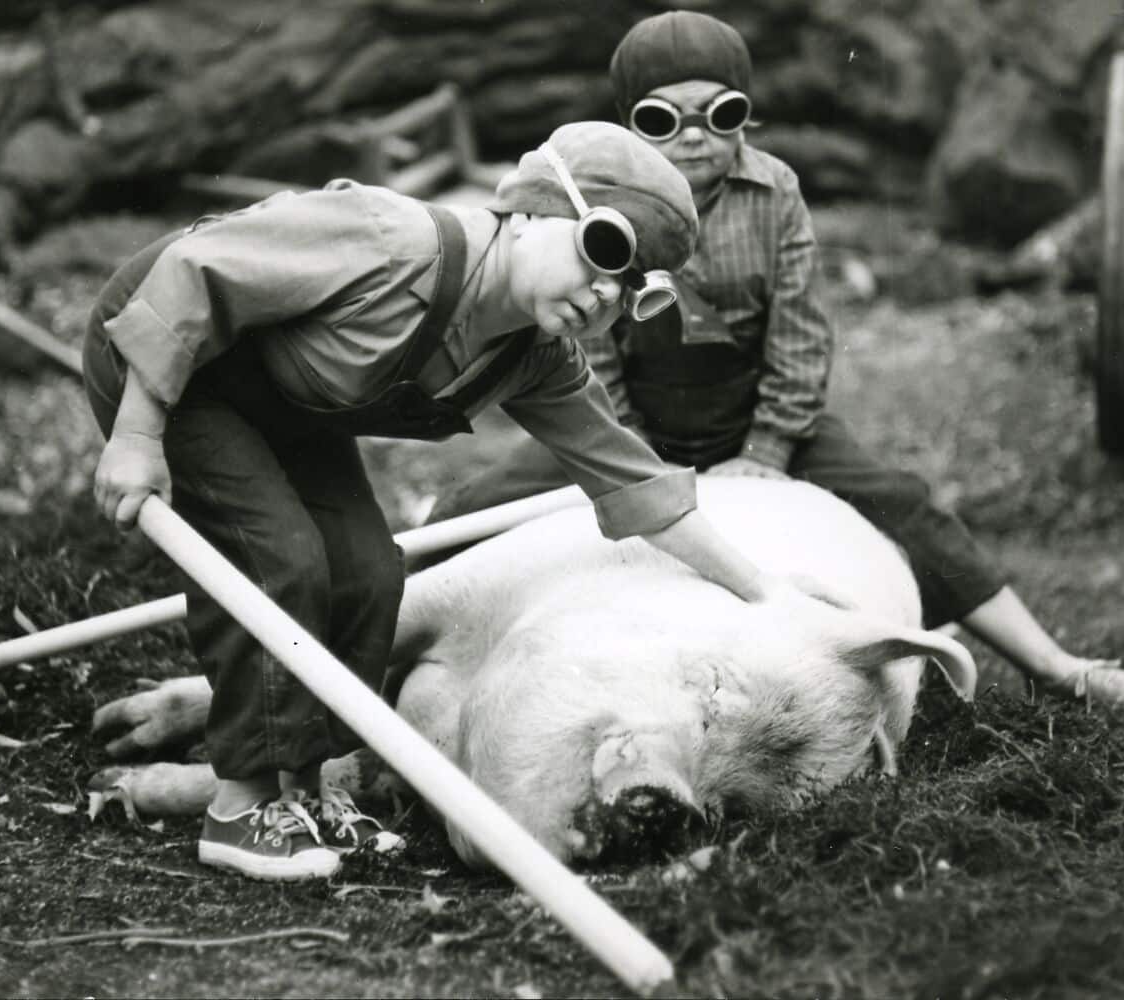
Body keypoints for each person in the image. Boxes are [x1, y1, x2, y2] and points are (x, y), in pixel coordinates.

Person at [83, 120, 802, 882]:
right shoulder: (391, 240)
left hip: (281, 405)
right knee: (280, 557)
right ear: (527, 209)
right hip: (168, 363)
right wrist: (135, 434)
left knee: (368, 572)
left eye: (636, 290)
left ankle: (305, 789)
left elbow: (638, 486)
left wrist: (766, 595)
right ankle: (242, 803)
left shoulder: (537, 357)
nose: (605, 296)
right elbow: (192, 273)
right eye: (604, 251)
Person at [428, 12, 1124, 711]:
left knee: (903, 503)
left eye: (720, 114)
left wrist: (768, 450)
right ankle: (354, 666)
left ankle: (1054, 666)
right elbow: (586, 348)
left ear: (747, 115)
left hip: (757, 412)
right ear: (627, 125)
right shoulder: (605, 203)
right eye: (660, 120)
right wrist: (630, 450)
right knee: (466, 510)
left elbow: (800, 335)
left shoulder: (775, 192)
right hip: (630, 421)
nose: (692, 138)